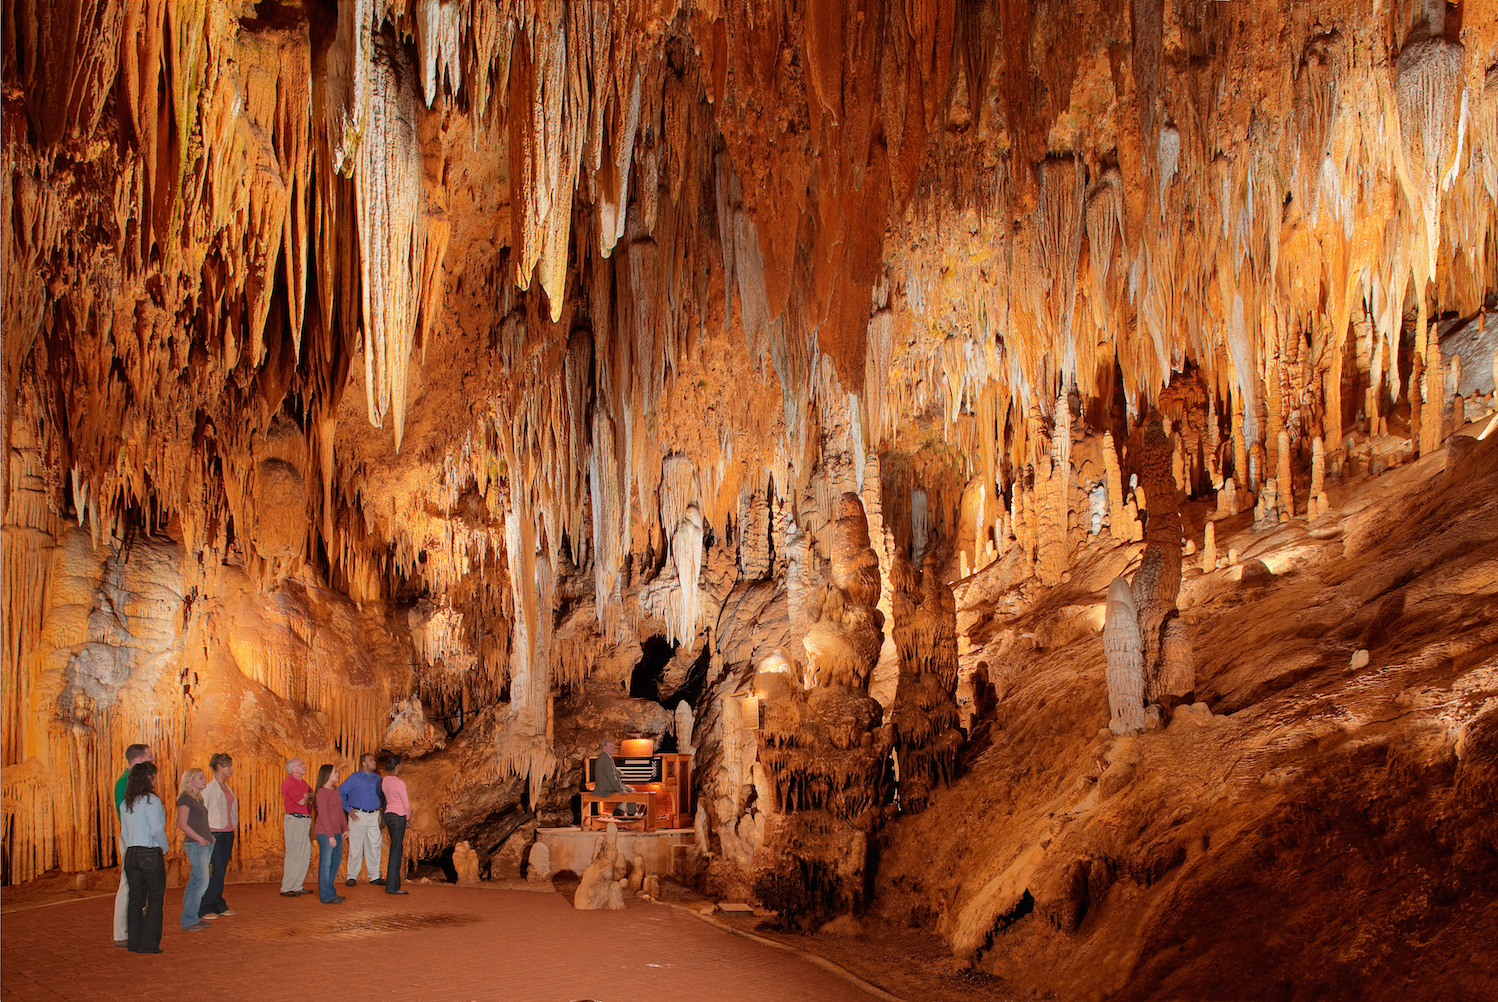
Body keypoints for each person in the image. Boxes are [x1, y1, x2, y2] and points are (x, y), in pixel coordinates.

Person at [120, 762, 169, 953]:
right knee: (155, 899)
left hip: (131, 854)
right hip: (149, 853)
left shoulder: (126, 803)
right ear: (148, 778)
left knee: (135, 899)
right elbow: (156, 828)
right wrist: (164, 847)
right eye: (154, 776)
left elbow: (124, 832)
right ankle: (149, 944)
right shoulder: (151, 801)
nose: (156, 779)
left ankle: (134, 942)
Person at [112, 743, 152, 947]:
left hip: (137, 837)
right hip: (133, 837)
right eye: (149, 757)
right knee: (129, 883)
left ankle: (134, 927)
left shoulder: (131, 781)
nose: (152, 761)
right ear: (139, 759)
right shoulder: (127, 782)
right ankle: (122, 932)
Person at [198, 752, 238, 921]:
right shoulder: (208, 789)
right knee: (217, 871)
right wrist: (206, 834)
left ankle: (218, 903)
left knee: (220, 872)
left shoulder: (226, 787)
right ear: (219, 767)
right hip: (215, 834)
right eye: (228, 766)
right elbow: (201, 813)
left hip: (228, 832)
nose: (231, 769)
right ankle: (205, 907)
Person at [175, 769, 214, 932]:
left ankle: (191, 917)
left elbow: (200, 822)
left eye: (204, 777)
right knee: (202, 883)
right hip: (197, 845)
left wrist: (210, 836)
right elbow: (182, 824)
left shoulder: (198, 798)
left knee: (194, 882)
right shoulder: (185, 799)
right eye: (200, 778)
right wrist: (200, 839)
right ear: (190, 781)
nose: (204, 780)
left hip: (204, 844)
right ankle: (189, 920)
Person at [338, 753, 385, 887]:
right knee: (356, 845)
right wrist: (348, 809)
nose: (374, 762)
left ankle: (375, 875)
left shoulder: (378, 779)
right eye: (371, 760)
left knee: (375, 845)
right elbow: (340, 792)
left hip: (374, 814)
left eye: (374, 760)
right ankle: (352, 875)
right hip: (358, 814)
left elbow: (382, 797)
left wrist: (381, 812)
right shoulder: (354, 778)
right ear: (363, 763)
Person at [313, 764, 347, 904]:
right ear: (327, 775)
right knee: (326, 863)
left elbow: (339, 810)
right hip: (325, 832)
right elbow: (323, 814)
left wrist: (345, 827)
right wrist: (330, 835)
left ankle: (330, 891)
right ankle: (325, 895)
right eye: (335, 772)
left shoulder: (335, 790)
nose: (337, 774)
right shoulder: (322, 792)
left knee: (335, 862)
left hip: (336, 831)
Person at [280, 758, 313, 896]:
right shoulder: (289, 783)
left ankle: (297, 885)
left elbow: (311, 796)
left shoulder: (302, 782)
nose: (304, 766)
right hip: (295, 819)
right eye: (301, 764)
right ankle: (287, 887)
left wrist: (310, 796)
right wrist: (310, 797)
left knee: (304, 853)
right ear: (292, 768)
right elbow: (302, 800)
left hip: (304, 820)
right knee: (294, 853)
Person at [381, 756, 410, 895]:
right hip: (399, 816)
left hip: (388, 815)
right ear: (397, 766)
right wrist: (407, 817)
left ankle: (393, 885)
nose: (403, 766)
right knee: (396, 850)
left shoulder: (385, 780)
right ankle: (393, 887)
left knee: (395, 848)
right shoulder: (400, 783)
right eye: (402, 764)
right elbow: (406, 804)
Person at [593, 739, 639, 815]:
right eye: (610, 746)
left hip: (603, 785)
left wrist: (618, 771)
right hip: (607, 787)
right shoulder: (607, 758)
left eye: (613, 747)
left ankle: (619, 811)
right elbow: (611, 776)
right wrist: (620, 789)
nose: (612, 748)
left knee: (623, 789)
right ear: (604, 747)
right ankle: (631, 814)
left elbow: (610, 770)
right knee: (631, 791)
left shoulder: (603, 756)